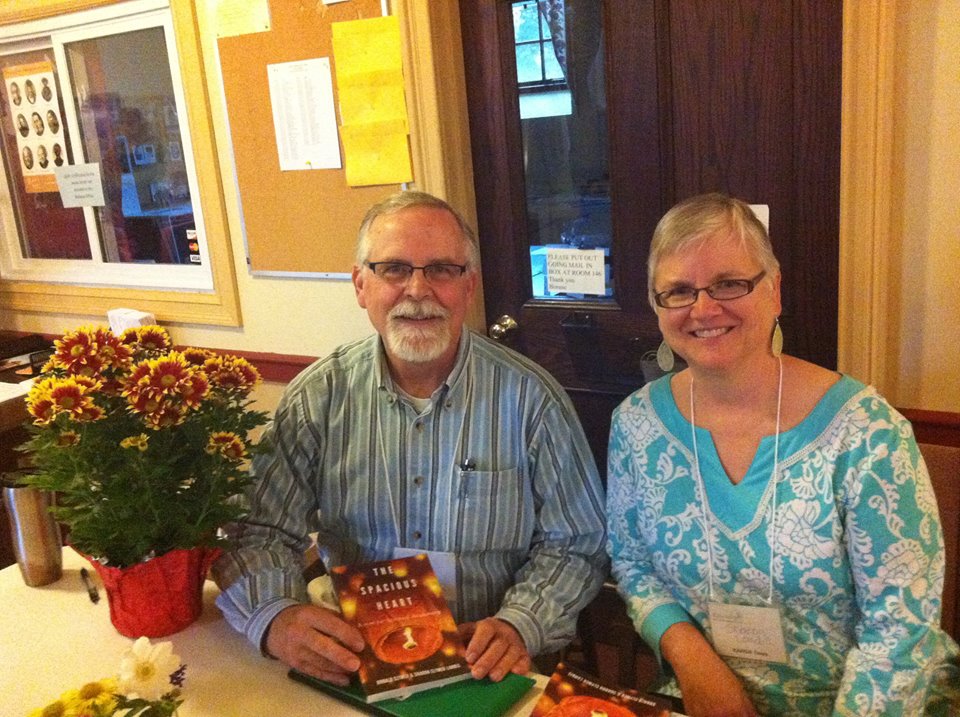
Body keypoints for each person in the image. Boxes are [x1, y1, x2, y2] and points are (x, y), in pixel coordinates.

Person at [214, 190, 607, 686]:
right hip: (356, 659)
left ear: (469, 286)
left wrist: (520, 623)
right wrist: (273, 617)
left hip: (487, 663)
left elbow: (578, 543)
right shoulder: (318, 397)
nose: (418, 290)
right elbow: (257, 531)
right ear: (361, 285)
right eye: (394, 269)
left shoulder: (533, 401)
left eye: (442, 269)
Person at [606, 193, 959, 716]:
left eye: (729, 283)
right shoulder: (635, 424)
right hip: (699, 697)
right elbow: (633, 563)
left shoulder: (868, 434)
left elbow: (899, 631)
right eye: (678, 291)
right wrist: (693, 662)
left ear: (774, 290)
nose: (703, 309)